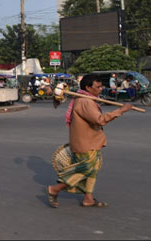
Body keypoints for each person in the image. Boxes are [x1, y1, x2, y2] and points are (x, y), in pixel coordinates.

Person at [46, 74, 133, 208]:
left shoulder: (86, 99)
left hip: (90, 141)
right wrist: (121, 110)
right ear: (88, 87)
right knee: (84, 170)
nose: (100, 89)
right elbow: (99, 119)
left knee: (92, 171)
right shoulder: (85, 102)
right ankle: (55, 189)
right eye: (97, 87)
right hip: (85, 143)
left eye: (101, 86)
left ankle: (88, 199)